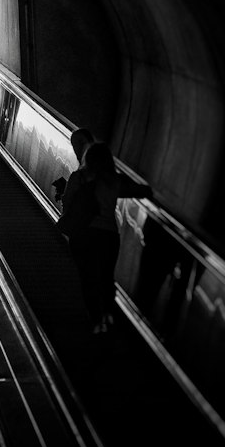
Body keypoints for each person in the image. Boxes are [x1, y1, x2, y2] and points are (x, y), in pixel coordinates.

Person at [57, 140, 153, 335]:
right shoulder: (114, 181)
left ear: (88, 158)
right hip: (108, 236)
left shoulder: (78, 177)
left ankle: (96, 320)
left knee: (87, 277)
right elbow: (144, 191)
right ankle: (108, 313)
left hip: (82, 235)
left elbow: (67, 203)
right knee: (106, 276)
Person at [51, 126, 96, 206]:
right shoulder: (81, 170)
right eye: (74, 146)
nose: (76, 150)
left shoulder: (82, 174)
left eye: (80, 144)